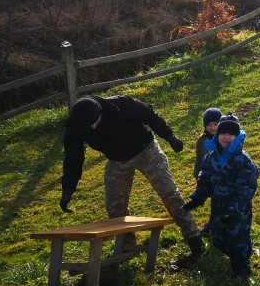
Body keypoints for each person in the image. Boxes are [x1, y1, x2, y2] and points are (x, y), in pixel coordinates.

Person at [61, 95, 205, 257]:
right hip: (116, 159)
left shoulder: (122, 105)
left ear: (101, 111)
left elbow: (150, 116)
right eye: (89, 125)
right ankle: (127, 246)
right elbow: (73, 156)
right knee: (114, 205)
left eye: (96, 121)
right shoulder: (75, 125)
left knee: (169, 193)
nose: (93, 127)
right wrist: (68, 187)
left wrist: (170, 137)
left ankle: (193, 236)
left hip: (146, 150)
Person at [183, 113, 259, 277]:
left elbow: (246, 188)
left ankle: (242, 273)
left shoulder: (243, 160)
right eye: (223, 133)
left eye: (231, 134)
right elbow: (205, 180)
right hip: (218, 207)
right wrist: (197, 198)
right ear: (217, 135)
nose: (227, 137)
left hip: (238, 211)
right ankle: (233, 258)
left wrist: (234, 209)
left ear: (237, 136)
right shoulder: (211, 158)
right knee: (218, 239)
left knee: (238, 241)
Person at [193, 107, 222, 237]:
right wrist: (197, 176)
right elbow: (198, 159)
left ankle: (212, 226)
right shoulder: (201, 141)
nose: (212, 127)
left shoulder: (225, 139)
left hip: (224, 176)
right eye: (209, 125)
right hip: (209, 177)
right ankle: (213, 226)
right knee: (216, 201)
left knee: (221, 202)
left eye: (215, 124)